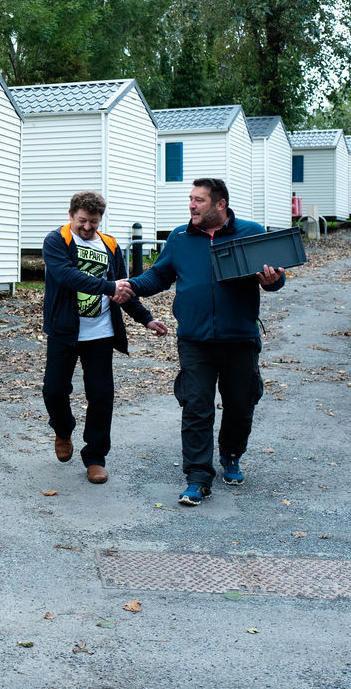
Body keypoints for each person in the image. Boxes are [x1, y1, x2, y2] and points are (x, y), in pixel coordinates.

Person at [119, 178, 285, 506]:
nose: (191, 205)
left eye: (199, 200)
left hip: (240, 339)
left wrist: (272, 281)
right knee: (196, 406)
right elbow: (159, 275)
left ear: (220, 204)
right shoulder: (180, 237)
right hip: (194, 339)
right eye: (191, 199)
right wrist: (133, 286)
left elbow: (274, 280)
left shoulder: (250, 232)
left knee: (241, 405)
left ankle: (231, 454)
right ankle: (197, 477)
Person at [42, 191, 168, 484]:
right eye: (82, 221)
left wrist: (146, 319)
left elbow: (123, 290)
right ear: (71, 215)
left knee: (101, 396)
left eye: (94, 222)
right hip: (64, 330)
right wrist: (109, 286)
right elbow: (66, 275)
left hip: (100, 333)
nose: (87, 227)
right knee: (53, 390)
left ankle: (95, 457)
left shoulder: (109, 245)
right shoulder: (57, 240)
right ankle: (63, 429)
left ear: (100, 220)